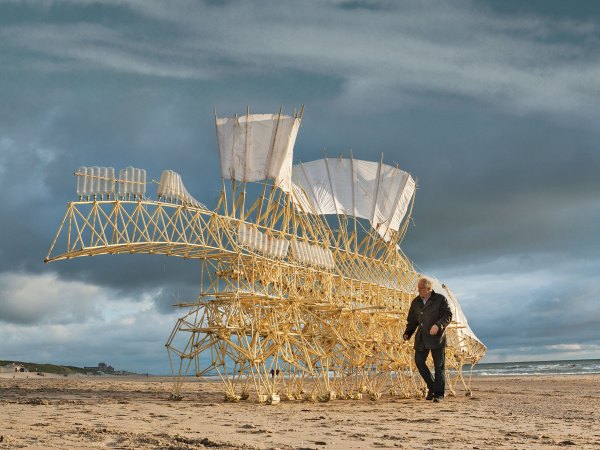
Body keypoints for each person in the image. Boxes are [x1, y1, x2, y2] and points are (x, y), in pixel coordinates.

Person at [403, 277, 452, 402]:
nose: (418, 290)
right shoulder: (416, 302)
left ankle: (439, 394)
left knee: (439, 366)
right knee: (419, 362)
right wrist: (408, 333)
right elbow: (412, 320)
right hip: (422, 337)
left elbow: (448, 315)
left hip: (437, 337)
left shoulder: (440, 299)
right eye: (418, 288)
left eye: (421, 288)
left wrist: (438, 325)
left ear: (429, 289)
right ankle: (432, 387)